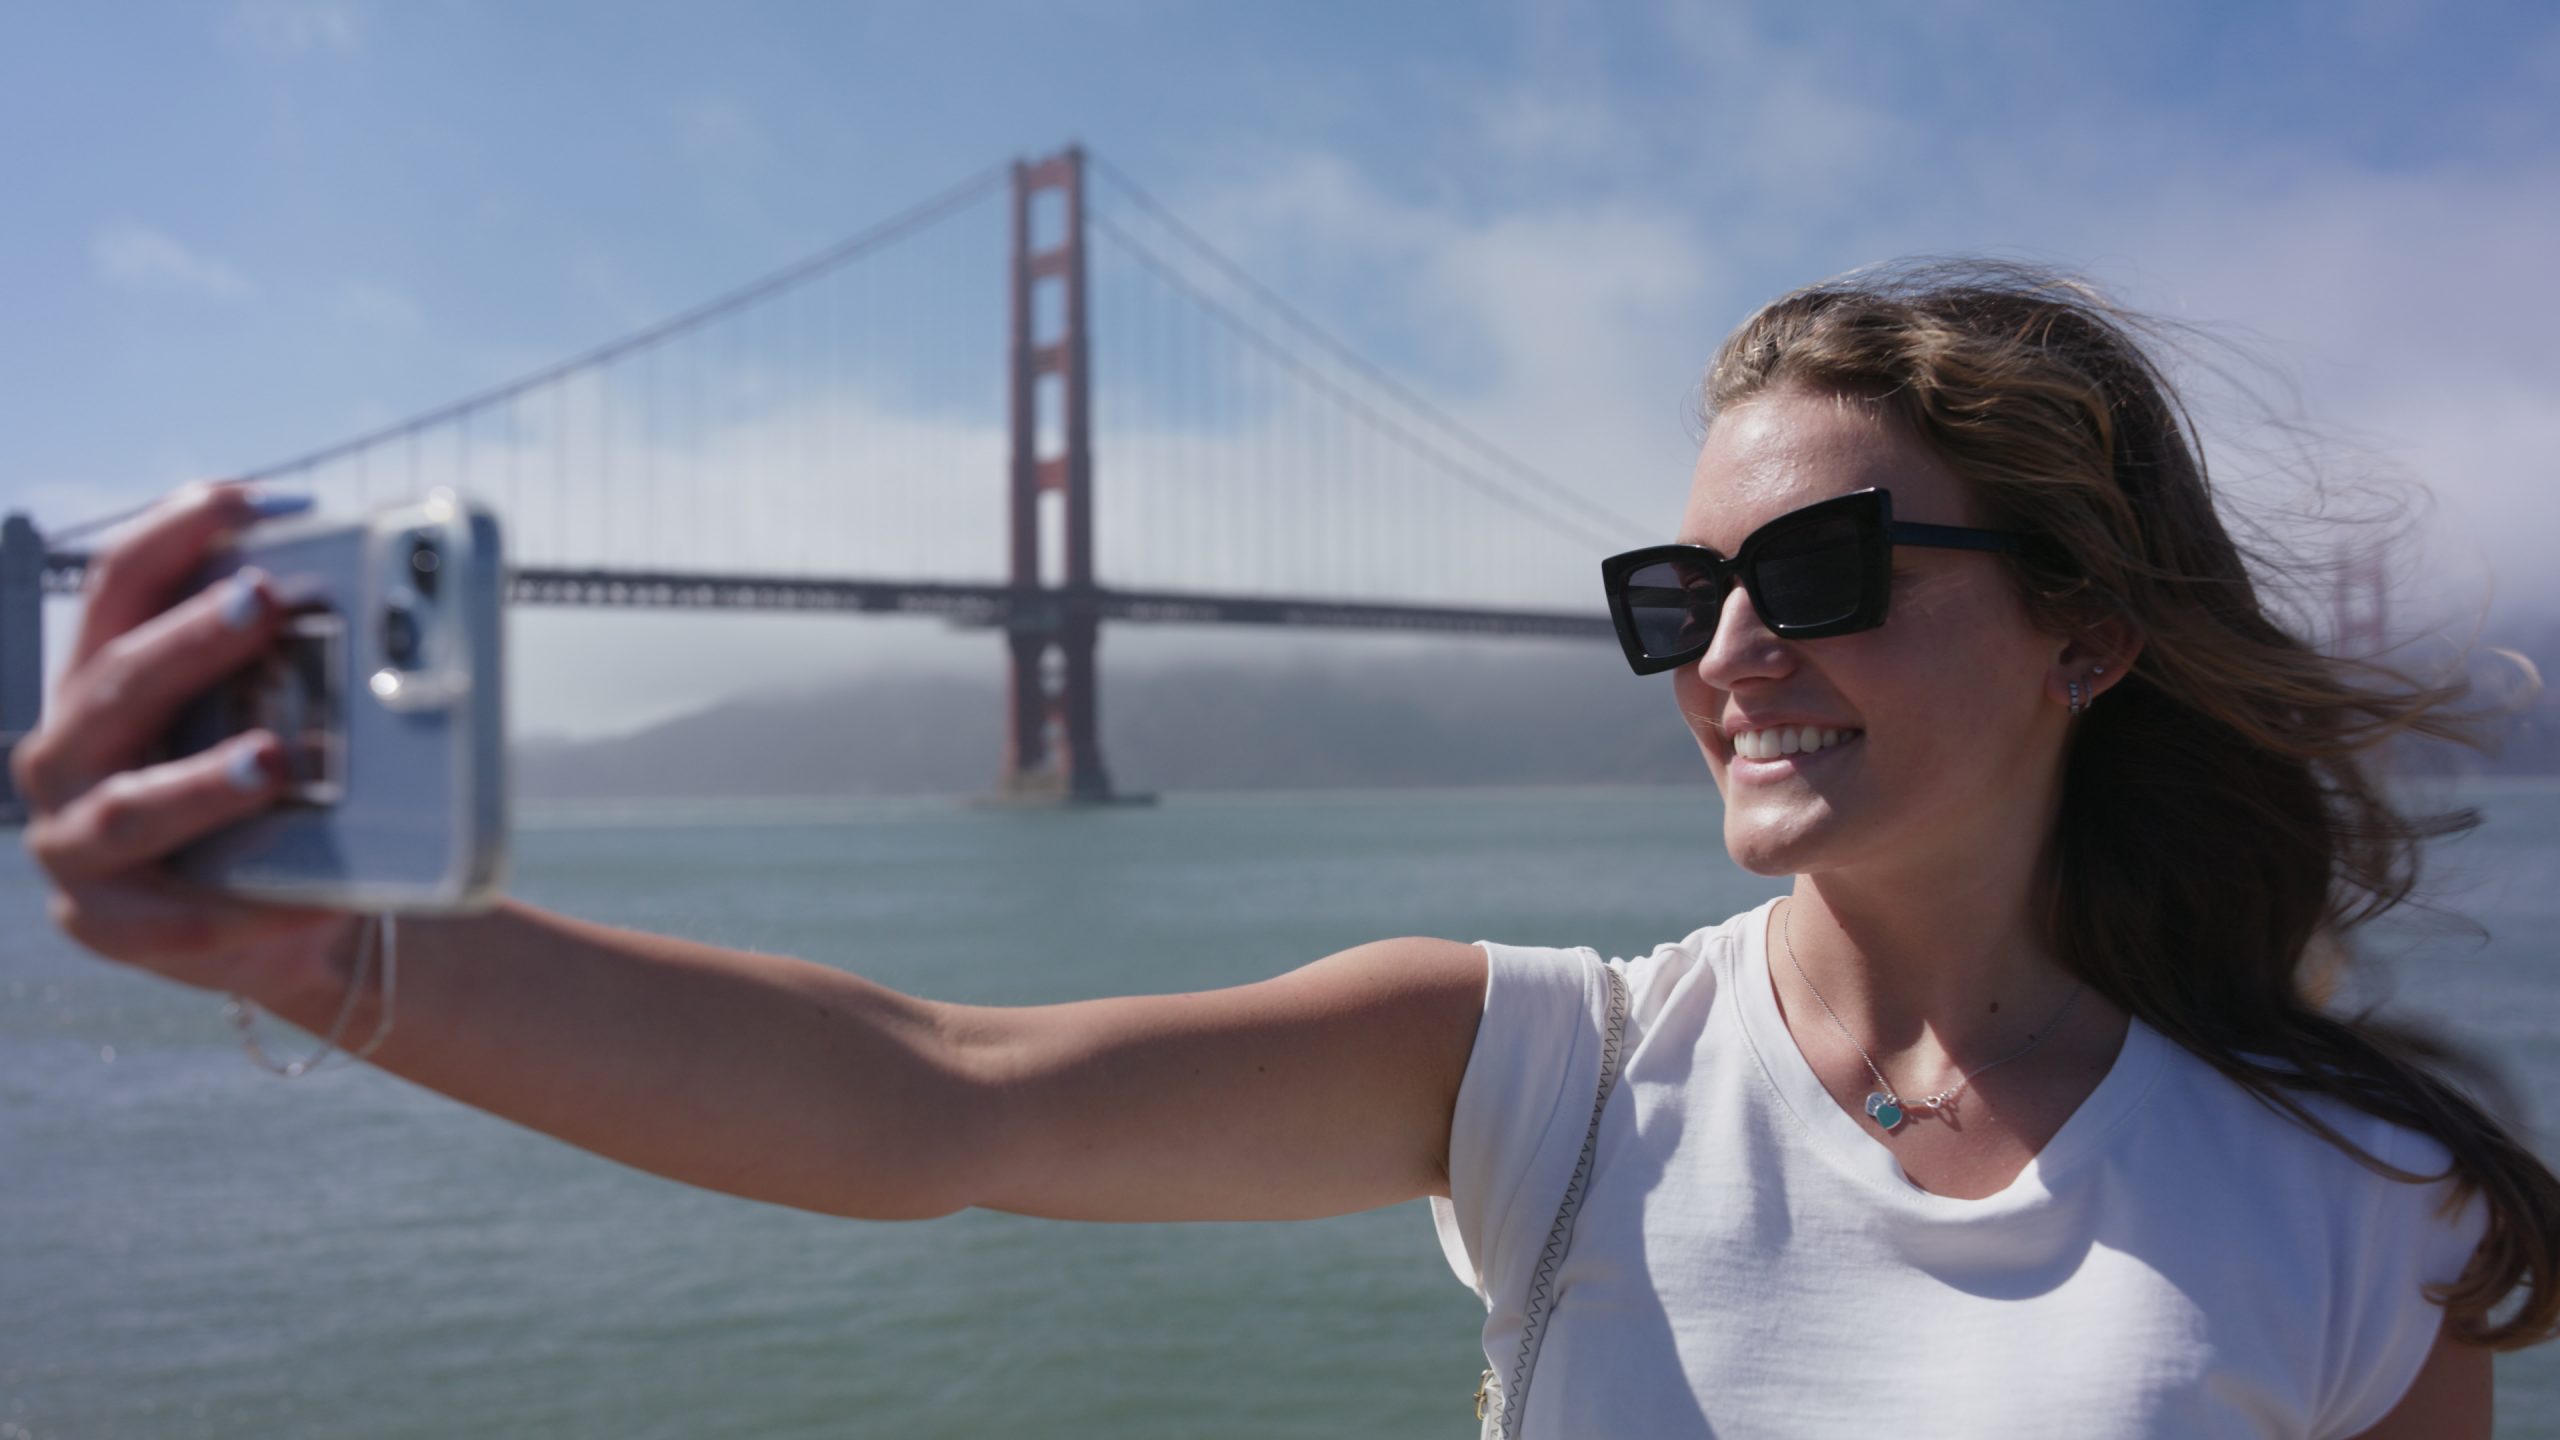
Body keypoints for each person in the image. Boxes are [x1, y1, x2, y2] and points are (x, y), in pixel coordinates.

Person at [18, 259, 2556, 1438]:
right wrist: (334, 954)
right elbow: (928, 1091)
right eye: (1674, 593)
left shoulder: (2349, 1205)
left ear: (2087, 632)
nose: (1725, 652)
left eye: (1816, 572)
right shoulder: (1555, 1076)